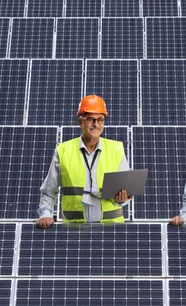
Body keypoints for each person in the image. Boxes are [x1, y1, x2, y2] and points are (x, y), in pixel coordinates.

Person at [37, 94, 133, 229]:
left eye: (100, 119)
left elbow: (125, 193)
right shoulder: (63, 150)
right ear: (80, 122)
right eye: (90, 119)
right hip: (74, 231)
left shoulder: (116, 149)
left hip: (111, 231)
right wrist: (45, 214)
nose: (96, 124)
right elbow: (48, 191)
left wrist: (121, 200)